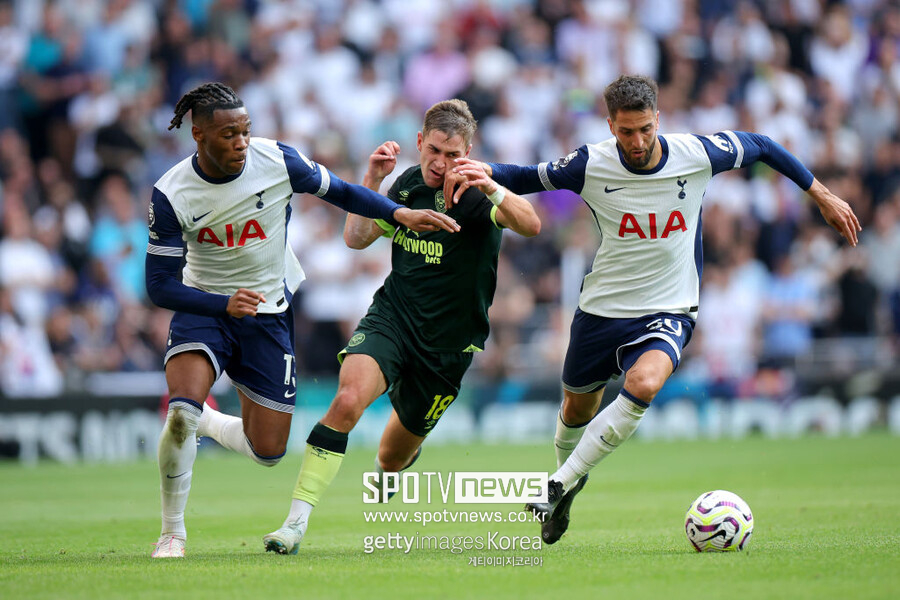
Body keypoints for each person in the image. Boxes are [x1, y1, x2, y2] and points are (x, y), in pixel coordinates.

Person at [446, 74, 861, 545]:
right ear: (610, 125)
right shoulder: (590, 163)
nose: (637, 141)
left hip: (670, 306)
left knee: (644, 382)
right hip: (602, 308)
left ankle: (557, 483)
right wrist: (480, 171)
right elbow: (528, 175)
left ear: (658, 119)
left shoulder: (697, 154)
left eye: (645, 128)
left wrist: (822, 195)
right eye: (626, 131)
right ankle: (566, 485)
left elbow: (763, 145)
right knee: (575, 407)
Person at [145, 82, 459, 558]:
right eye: (229, 134)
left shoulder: (278, 161)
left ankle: (210, 421)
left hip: (268, 313)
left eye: (246, 131)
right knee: (181, 413)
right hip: (206, 307)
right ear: (199, 134)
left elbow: (344, 192)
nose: (240, 142)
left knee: (268, 452)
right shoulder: (171, 193)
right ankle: (172, 532)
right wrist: (221, 304)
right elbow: (159, 285)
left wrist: (399, 212)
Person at [262, 99, 541, 555]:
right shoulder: (406, 185)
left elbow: (531, 224)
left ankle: (388, 470)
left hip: (448, 347)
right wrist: (371, 180)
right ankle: (294, 524)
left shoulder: (477, 193)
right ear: (419, 142)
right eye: (434, 151)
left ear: (469, 151)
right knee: (348, 400)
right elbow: (355, 238)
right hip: (393, 319)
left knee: (392, 458)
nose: (441, 164)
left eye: (453, 155)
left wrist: (490, 186)